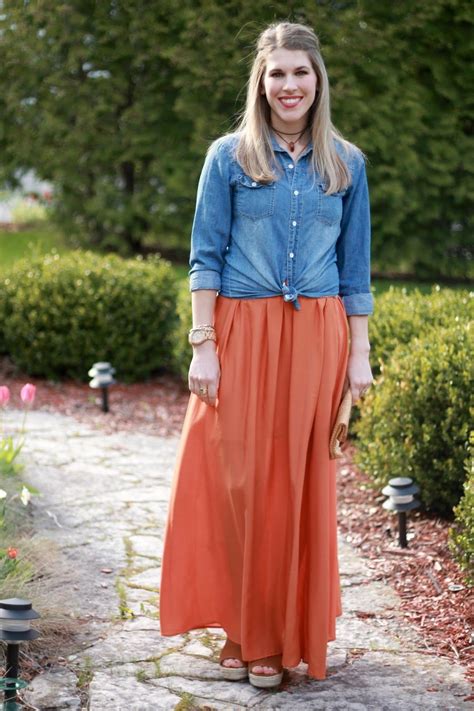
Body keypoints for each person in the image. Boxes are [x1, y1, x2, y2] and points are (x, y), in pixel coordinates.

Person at [159, 20, 374, 688]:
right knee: (240, 483)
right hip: (242, 332)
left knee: (301, 488)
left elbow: (355, 266)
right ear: (260, 82)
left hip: (319, 333)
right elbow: (205, 255)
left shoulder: (347, 163)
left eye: (300, 72)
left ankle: (287, 640)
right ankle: (248, 635)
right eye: (277, 73)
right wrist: (205, 345)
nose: (290, 85)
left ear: (318, 80)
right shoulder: (228, 157)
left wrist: (359, 355)